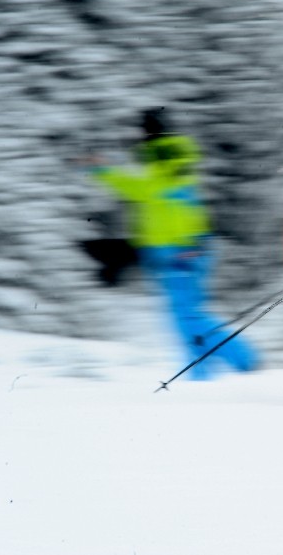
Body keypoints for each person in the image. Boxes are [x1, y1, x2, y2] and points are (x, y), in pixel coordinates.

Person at [91, 107, 258, 379]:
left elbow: (159, 197)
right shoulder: (162, 166)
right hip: (175, 252)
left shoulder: (168, 165)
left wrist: (101, 171)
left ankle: (235, 363)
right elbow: (141, 194)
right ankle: (214, 369)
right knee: (186, 315)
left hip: (183, 252)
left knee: (187, 316)